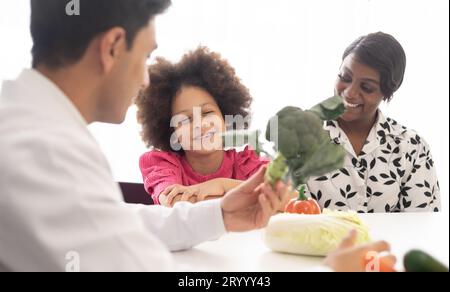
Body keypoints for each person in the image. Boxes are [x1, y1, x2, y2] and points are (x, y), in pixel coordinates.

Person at [0, 0, 393, 272]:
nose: (144, 77)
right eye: (147, 56)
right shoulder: (41, 152)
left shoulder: (30, 126)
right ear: (112, 47)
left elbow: (111, 223)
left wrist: (220, 214)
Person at [305, 32, 441, 213]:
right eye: (345, 77)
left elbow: (422, 226)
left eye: (366, 87)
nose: (350, 92)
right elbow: (294, 221)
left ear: (387, 92)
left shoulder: (412, 149)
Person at [136, 47, 268, 207]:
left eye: (207, 112)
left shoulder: (247, 163)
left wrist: (222, 185)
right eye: (185, 120)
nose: (200, 125)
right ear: (172, 131)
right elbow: (176, 203)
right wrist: (253, 197)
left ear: (226, 117)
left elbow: (290, 198)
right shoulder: (163, 165)